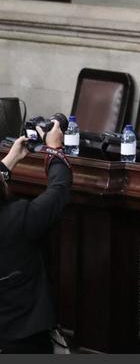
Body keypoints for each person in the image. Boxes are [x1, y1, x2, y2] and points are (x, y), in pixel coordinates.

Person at [0, 121, 71, 354]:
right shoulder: (19, 218)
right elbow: (59, 190)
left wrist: (10, 160)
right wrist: (54, 150)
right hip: (24, 339)